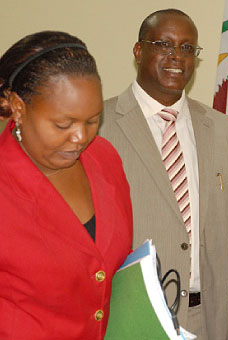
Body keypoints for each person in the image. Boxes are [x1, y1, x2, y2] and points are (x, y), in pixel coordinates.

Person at [99, 8, 228, 339]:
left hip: (209, 318)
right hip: (129, 316)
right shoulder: (98, 125)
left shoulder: (225, 131)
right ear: (139, 51)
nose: (177, 56)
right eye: (164, 44)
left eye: (187, 47)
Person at [0, 31, 133, 339]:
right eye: (63, 124)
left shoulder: (105, 158)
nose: (80, 138)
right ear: (19, 107)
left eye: (92, 121)